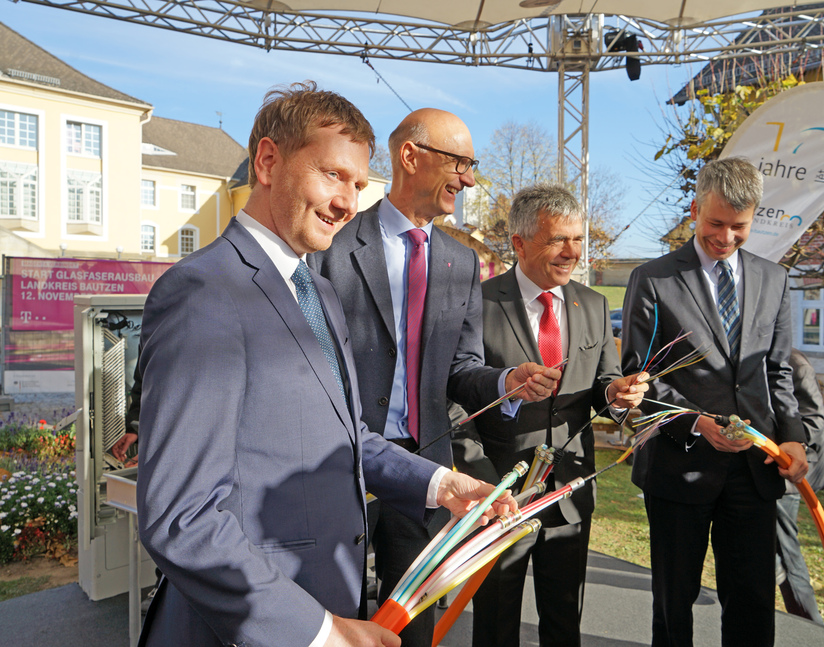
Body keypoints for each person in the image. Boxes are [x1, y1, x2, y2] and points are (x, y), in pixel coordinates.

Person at [134, 82, 519, 647]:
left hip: (326, 597)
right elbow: (182, 518)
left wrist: (444, 484)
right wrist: (320, 632)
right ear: (268, 162)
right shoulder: (203, 294)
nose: (347, 202)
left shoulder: (316, 291)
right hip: (254, 625)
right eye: (332, 175)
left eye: (359, 185)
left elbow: (345, 437)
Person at [308, 108, 560, 647]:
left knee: (413, 632)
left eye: (472, 166)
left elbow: (460, 371)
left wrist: (504, 381)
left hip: (423, 472)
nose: (469, 179)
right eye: (461, 163)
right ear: (410, 156)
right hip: (337, 467)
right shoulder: (331, 244)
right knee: (332, 625)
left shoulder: (460, 262)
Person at [621, 156, 809, 647]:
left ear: (755, 218)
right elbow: (638, 379)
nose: (726, 238)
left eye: (739, 226)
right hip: (677, 468)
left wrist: (792, 438)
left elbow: (778, 371)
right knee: (674, 603)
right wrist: (696, 423)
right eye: (715, 224)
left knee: (750, 602)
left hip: (754, 469)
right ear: (694, 209)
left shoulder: (774, 278)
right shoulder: (654, 278)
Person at [453, 184, 647, 647]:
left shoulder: (594, 304)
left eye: (578, 239)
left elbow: (602, 387)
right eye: (558, 239)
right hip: (500, 494)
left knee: (564, 621)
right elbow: (455, 392)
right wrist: (481, 476)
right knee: (496, 622)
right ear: (518, 242)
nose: (571, 252)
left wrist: (618, 395)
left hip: (571, 491)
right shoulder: (477, 303)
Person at [776, 348, 824, 623]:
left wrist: (774, 440)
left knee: (786, 551)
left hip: (794, 474)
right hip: (777, 470)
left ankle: (814, 628)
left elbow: (814, 422)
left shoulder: (794, 364)